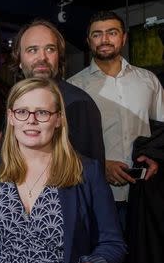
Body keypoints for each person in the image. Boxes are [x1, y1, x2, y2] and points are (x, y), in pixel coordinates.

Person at [0, 77, 126, 263]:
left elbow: (113, 244)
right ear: (11, 117)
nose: (31, 120)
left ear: (59, 119)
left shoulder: (86, 172)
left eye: (42, 113)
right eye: (22, 111)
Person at [68, 10, 164, 263]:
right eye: (97, 34)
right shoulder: (74, 88)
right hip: (96, 196)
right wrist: (101, 164)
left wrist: (155, 158)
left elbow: (161, 130)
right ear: (88, 41)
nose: (104, 39)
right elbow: (66, 144)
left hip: (143, 194)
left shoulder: (148, 81)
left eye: (111, 32)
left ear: (123, 38)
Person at [11, 19, 105, 166]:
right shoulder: (15, 102)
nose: (42, 57)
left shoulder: (78, 103)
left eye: (50, 49)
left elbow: (90, 174)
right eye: (32, 50)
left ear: (59, 58)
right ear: (19, 60)